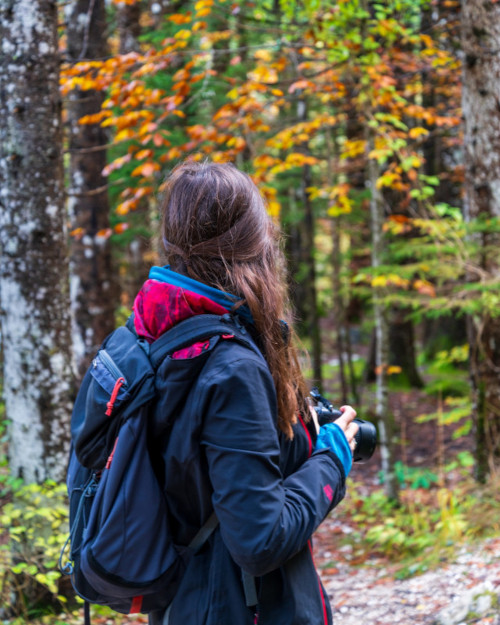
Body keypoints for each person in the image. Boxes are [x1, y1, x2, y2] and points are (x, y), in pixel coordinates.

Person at [133, 160, 358, 625]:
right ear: (255, 244)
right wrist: (332, 459)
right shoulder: (231, 367)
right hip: (241, 609)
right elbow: (260, 539)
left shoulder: (159, 336)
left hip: (184, 604)